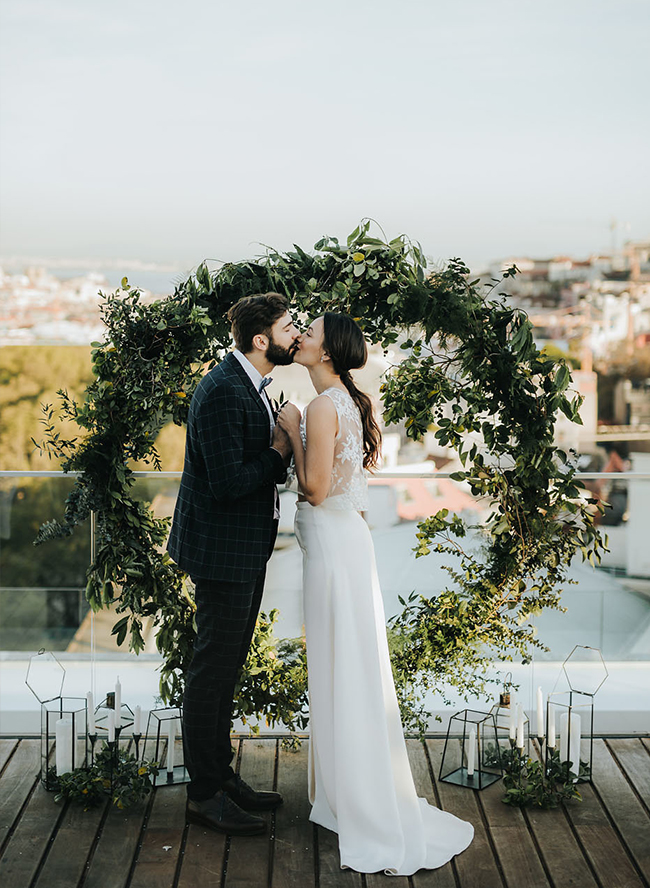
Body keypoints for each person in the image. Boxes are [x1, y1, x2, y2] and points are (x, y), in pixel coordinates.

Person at [277, 313, 474, 875]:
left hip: (333, 547)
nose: (302, 338)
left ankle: (354, 798)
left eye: (310, 333)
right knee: (355, 667)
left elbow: (315, 490)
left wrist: (290, 430)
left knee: (340, 668)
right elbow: (347, 492)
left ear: (329, 352)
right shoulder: (350, 401)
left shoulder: (318, 406)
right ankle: (351, 790)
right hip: (349, 542)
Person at [167, 292, 301, 836]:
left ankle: (220, 777)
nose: (297, 333)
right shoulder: (224, 390)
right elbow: (226, 484)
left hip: (242, 548)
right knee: (211, 672)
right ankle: (203, 794)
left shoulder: (247, 382)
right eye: (290, 326)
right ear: (260, 339)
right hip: (223, 552)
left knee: (224, 669)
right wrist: (279, 453)